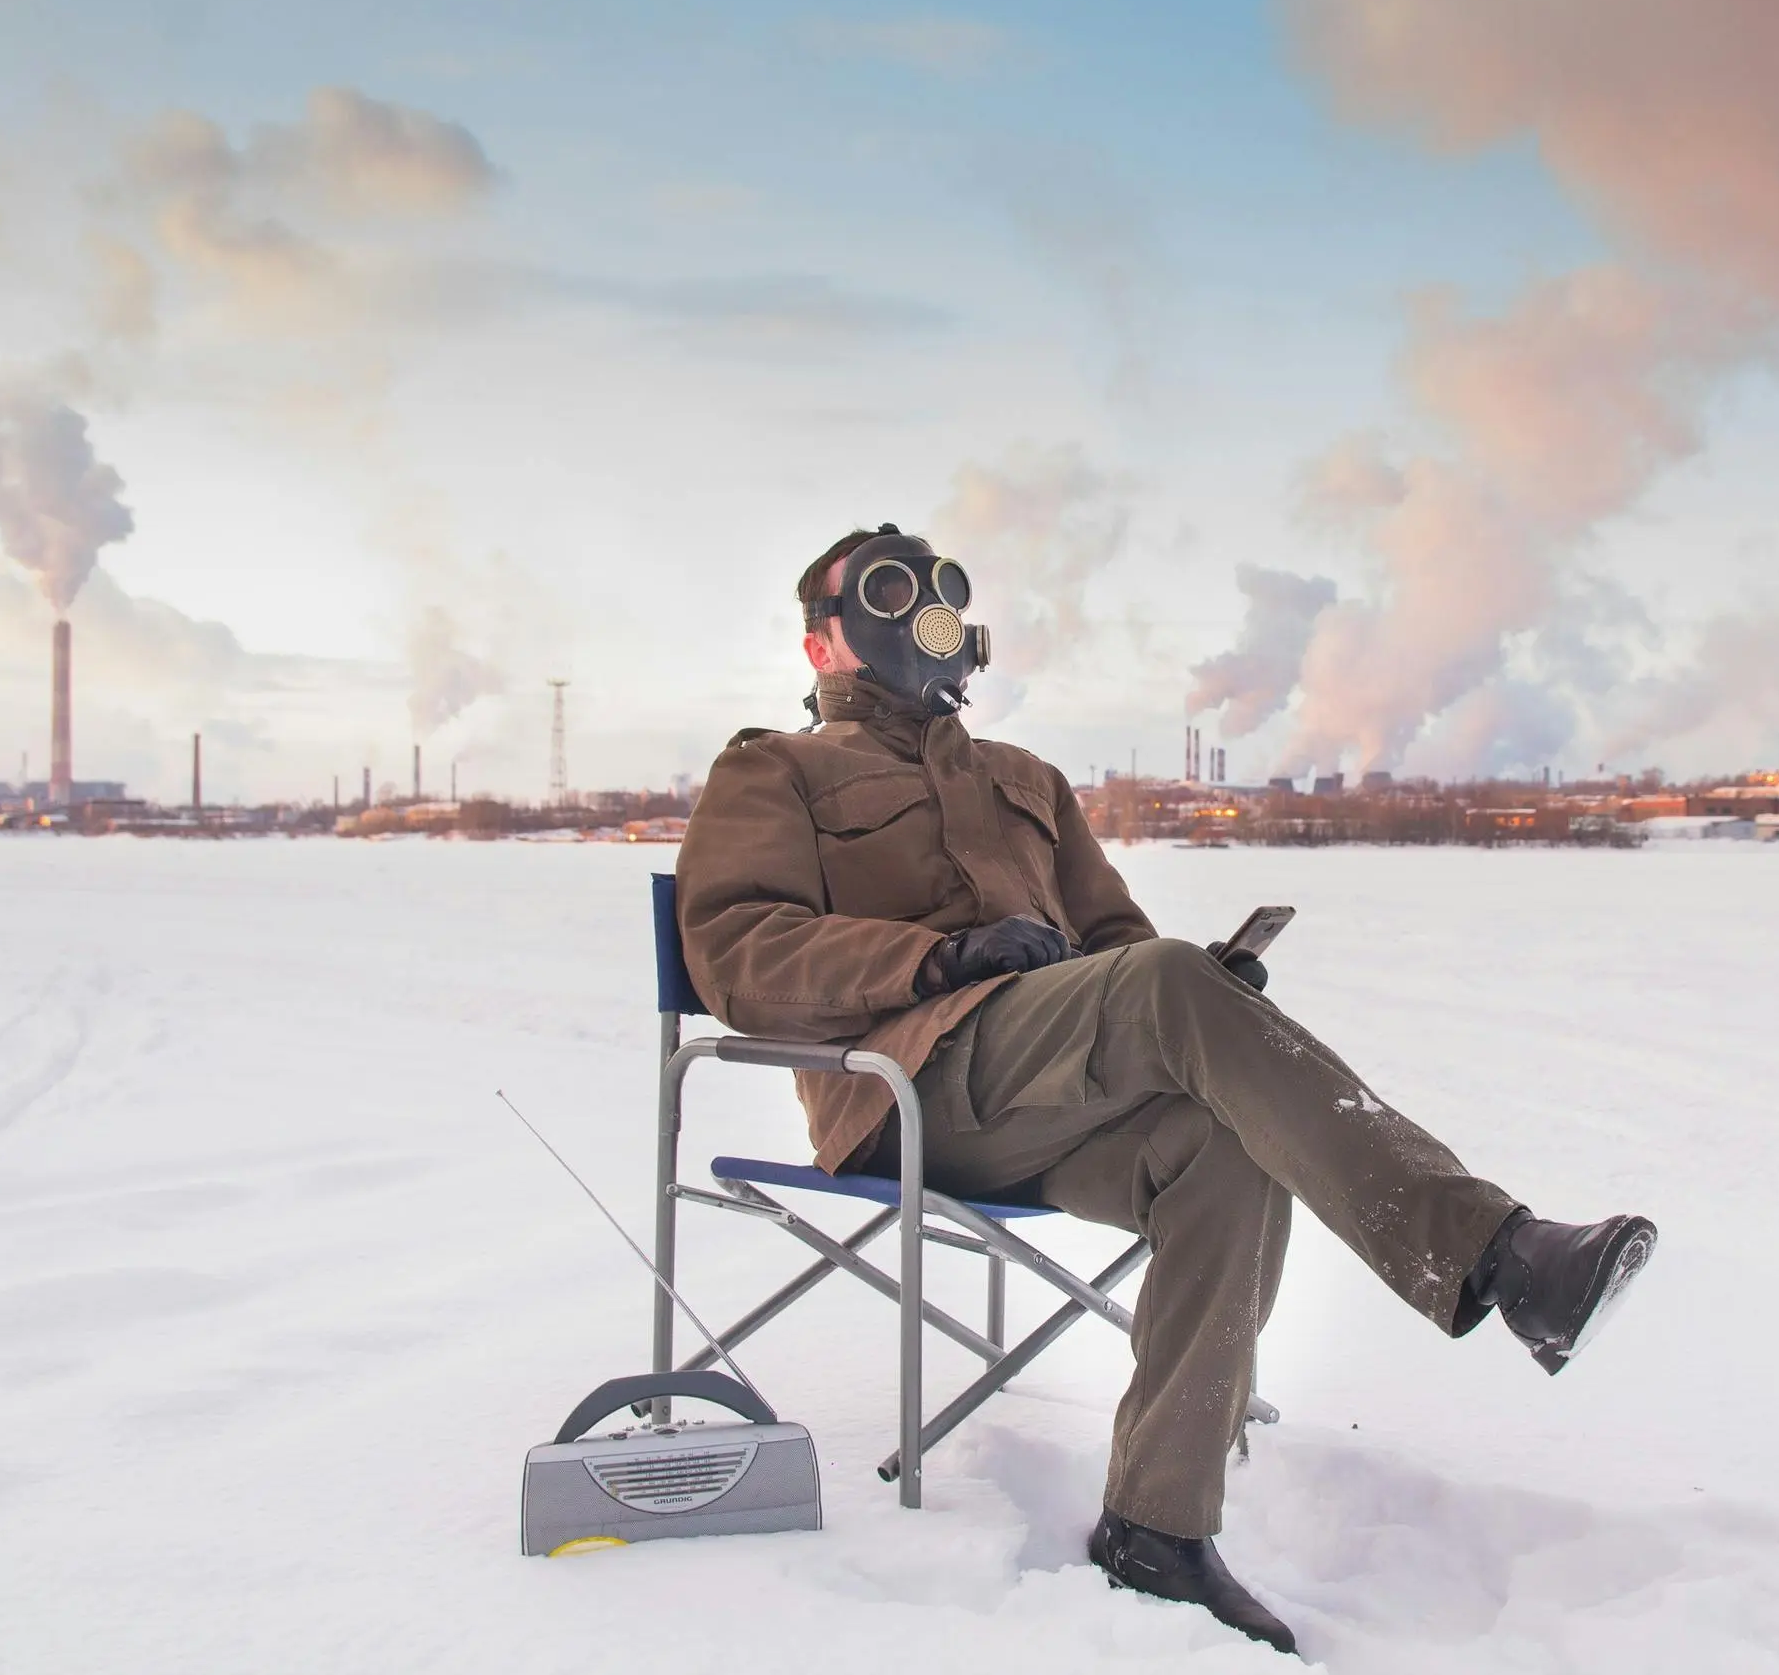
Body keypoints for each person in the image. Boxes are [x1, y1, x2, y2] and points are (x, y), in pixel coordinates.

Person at [676, 524, 1656, 1655]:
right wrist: (933, 960)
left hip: (1045, 1096)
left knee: (1223, 1139)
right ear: (822, 643)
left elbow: (1117, 947)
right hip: (903, 1089)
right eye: (889, 593)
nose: (922, 612)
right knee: (1165, 990)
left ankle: (1158, 1526)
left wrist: (1214, 997)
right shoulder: (777, 770)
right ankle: (1498, 1253)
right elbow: (737, 953)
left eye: (940, 589)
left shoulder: (1023, 781)